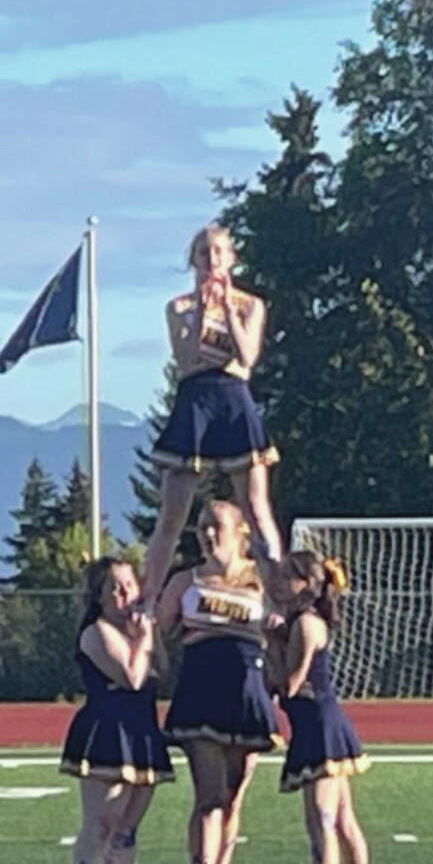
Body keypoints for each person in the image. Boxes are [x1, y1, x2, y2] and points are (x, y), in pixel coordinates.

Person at [141, 224, 283, 604]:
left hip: (234, 396)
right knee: (172, 513)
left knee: (255, 508)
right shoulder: (178, 308)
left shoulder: (251, 305)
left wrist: (228, 309)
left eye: (219, 252)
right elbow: (186, 360)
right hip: (195, 400)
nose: (212, 259)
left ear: (231, 258)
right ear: (194, 260)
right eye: (204, 253)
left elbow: (247, 356)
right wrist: (204, 309)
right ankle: (148, 598)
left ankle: (278, 594)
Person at [155, 500, 281, 864]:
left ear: (241, 530)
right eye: (201, 527)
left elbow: (280, 630)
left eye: (216, 526)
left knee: (233, 796)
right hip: (202, 691)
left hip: (248, 691)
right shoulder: (186, 580)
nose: (208, 534)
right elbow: (161, 630)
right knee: (208, 795)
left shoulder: (263, 578)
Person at [58, 557, 173, 864]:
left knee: (128, 823)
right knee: (101, 820)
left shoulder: (137, 628)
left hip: (140, 730)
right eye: (115, 587)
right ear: (100, 595)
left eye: (129, 585)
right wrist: (142, 639)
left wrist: (149, 633)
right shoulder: (98, 631)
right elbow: (133, 676)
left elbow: (163, 671)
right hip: (107, 732)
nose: (125, 594)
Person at [271, 551, 374, 864]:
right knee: (344, 819)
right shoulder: (302, 623)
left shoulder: (305, 625)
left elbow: (289, 685)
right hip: (320, 723)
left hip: (319, 729)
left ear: (307, 585)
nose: (278, 583)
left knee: (322, 821)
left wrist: (270, 644)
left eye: (287, 577)